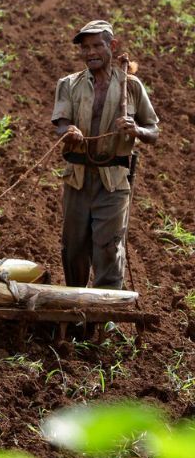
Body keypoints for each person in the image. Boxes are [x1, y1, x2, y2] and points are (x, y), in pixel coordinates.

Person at [52, 20, 159, 290]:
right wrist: (70, 130)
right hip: (77, 178)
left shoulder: (131, 86)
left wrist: (136, 130)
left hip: (113, 181)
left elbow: (153, 131)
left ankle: (104, 317)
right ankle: (75, 306)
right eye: (85, 47)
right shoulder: (69, 84)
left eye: (97, 45)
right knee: (74, 247)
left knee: (108, 247)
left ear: (111, 46)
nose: (90, 52)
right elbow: (60, 123)